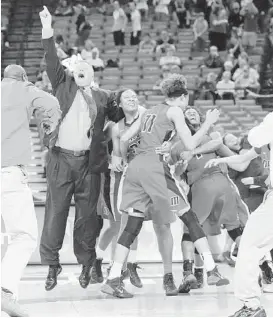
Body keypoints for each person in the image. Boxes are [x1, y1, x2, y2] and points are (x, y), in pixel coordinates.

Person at [101, 74, 229, 298]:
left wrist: (120, 157)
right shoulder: (175, 110)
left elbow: (124, 137)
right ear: (183, 96)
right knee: (188, 216)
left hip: (134, 169)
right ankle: (212, 270)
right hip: (154, 168)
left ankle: (112, 278)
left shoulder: (148, 110)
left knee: (132, 225)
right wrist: (208, 122)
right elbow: (190, 143)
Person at [38, 6, 124, 291]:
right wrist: (47, 28)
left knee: (88, 217)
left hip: (90, 163)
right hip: (61, 159)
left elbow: (124, 117)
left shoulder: (104, 97)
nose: (83, 69)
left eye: (88, 68)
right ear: (73, 72)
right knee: (55, 213)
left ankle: (87, 264)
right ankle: (52, 265)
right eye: (79, 67)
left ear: (94, 74)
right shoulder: (62, 84)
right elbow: (51, 58)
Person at [1, 65, 61, 317]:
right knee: (23, 236)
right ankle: (4, 293)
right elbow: (52, 104)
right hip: (8, 172)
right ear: (23, 78)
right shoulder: (23, 89)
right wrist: (49, 125)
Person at [205, 112, 273, 317]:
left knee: (249, 247)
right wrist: (221, 159)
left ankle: (251, 305)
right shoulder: (265, 144)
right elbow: (243, 158)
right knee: (252, 246)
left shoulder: (265, 133)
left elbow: (255, 137)